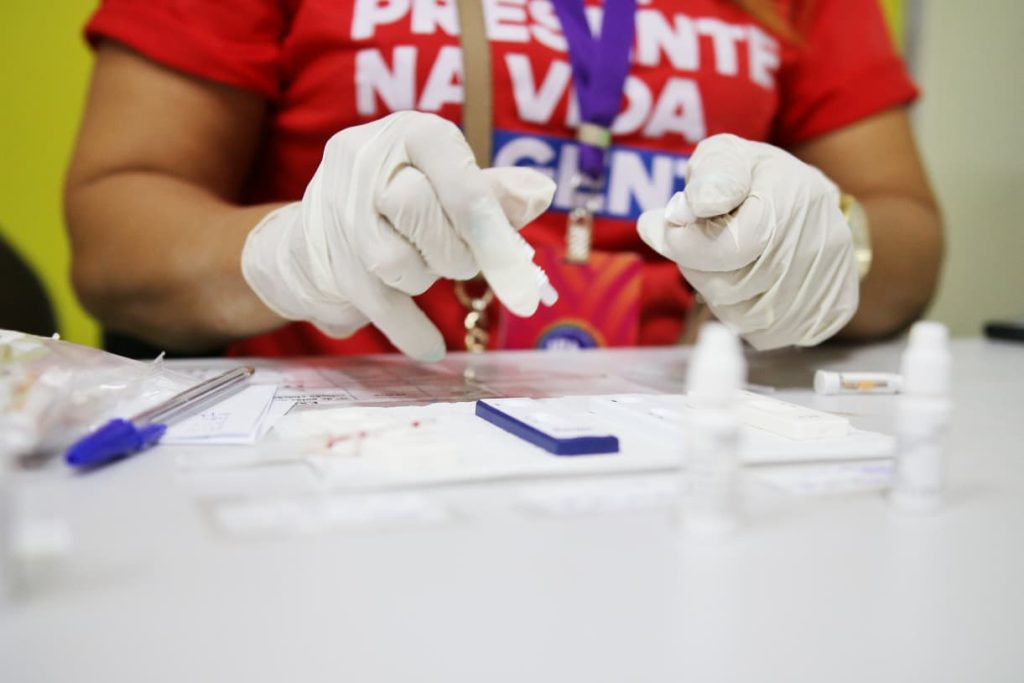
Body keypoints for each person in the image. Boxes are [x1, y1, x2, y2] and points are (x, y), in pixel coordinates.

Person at [65, 0, 943, 361]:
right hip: (347, 452)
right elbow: (114, 233)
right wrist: (286, 251)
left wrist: (830, 245)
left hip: (687, 437)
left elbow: (907, 232)